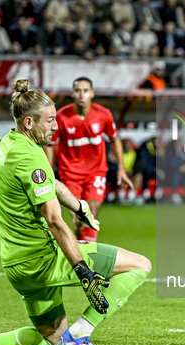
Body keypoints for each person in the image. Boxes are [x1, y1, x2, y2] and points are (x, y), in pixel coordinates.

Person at [0, 79, 150, 345]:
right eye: (51, 120)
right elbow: (56, 221)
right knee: (140, 265)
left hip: (17, 266)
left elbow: (50, 181)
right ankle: (81, 334)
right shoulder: (30, 157)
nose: (56, 126)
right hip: (43, 259)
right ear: (30, 122)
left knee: (51, 340)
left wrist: (80, 205)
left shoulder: (11, 141)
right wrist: (81, 270)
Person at [46, 77, 133, 242]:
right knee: (78, 219)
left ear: (92, 94)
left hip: (96, 172)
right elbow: (50, 144)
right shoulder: (62, 117)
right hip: (70, 173)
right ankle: (80, 241)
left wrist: (121, 169)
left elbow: (115, 139)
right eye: (78, 90)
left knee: (92, 212)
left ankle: (88, 255)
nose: (81, 94)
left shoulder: (103, 114)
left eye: (85, 90)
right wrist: (49, 170)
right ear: (72, 93)